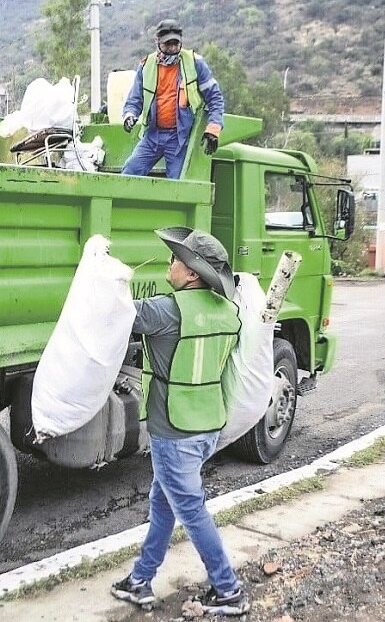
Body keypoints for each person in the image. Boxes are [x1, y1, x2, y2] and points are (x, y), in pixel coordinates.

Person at [110, 227, 248, 616]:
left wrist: (111, 279)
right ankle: (140, 580)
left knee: (190, 509)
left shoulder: (166, 310)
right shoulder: (228, 311)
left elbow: (117, 315)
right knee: (164, 503)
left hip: (174, 429)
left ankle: (229, 590)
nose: (169, 264)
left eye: (174, 260)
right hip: (207, 424)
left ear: (191, 274)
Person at [119, 19, 225, 179]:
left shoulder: (195, 64)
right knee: (130, 171)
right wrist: (129, 115)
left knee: (177, 183)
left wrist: (213, 129)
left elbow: (215, 98)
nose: (173, 48)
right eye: (168, 44)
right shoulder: (146, 66)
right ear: (157, 42)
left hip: (179, 138)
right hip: (152, 135)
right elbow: (134, 99)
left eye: (176, 43)